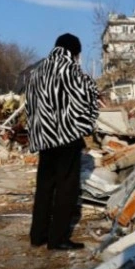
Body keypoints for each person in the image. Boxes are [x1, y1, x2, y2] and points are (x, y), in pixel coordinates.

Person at [26, 33, 99, 251]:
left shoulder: (36, 72)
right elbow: (89, 96)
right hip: (67, 137)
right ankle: (57, 238)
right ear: (74, 52)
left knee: (44, 187)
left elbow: (29, 106)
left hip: (44, 139)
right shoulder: (72, 70)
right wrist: (86, 125)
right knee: (67, 188)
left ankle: (38, 235)